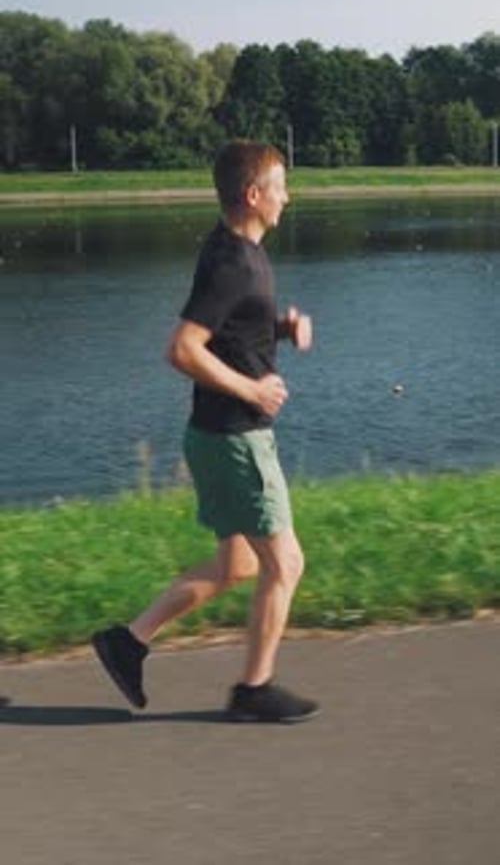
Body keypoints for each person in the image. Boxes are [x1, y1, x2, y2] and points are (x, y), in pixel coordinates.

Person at [92, 140, 319, 723]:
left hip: (215, 435)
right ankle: (254, 689)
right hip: (236, 436)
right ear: (253, 194)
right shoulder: (234, 262)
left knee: (237, 566)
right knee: (285, 564)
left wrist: (276, 328)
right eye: (280, 186)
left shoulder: (232, 248)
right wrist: (253, 389)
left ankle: (128, 642)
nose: (287, 197)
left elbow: (227, 328)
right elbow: (183, 349)